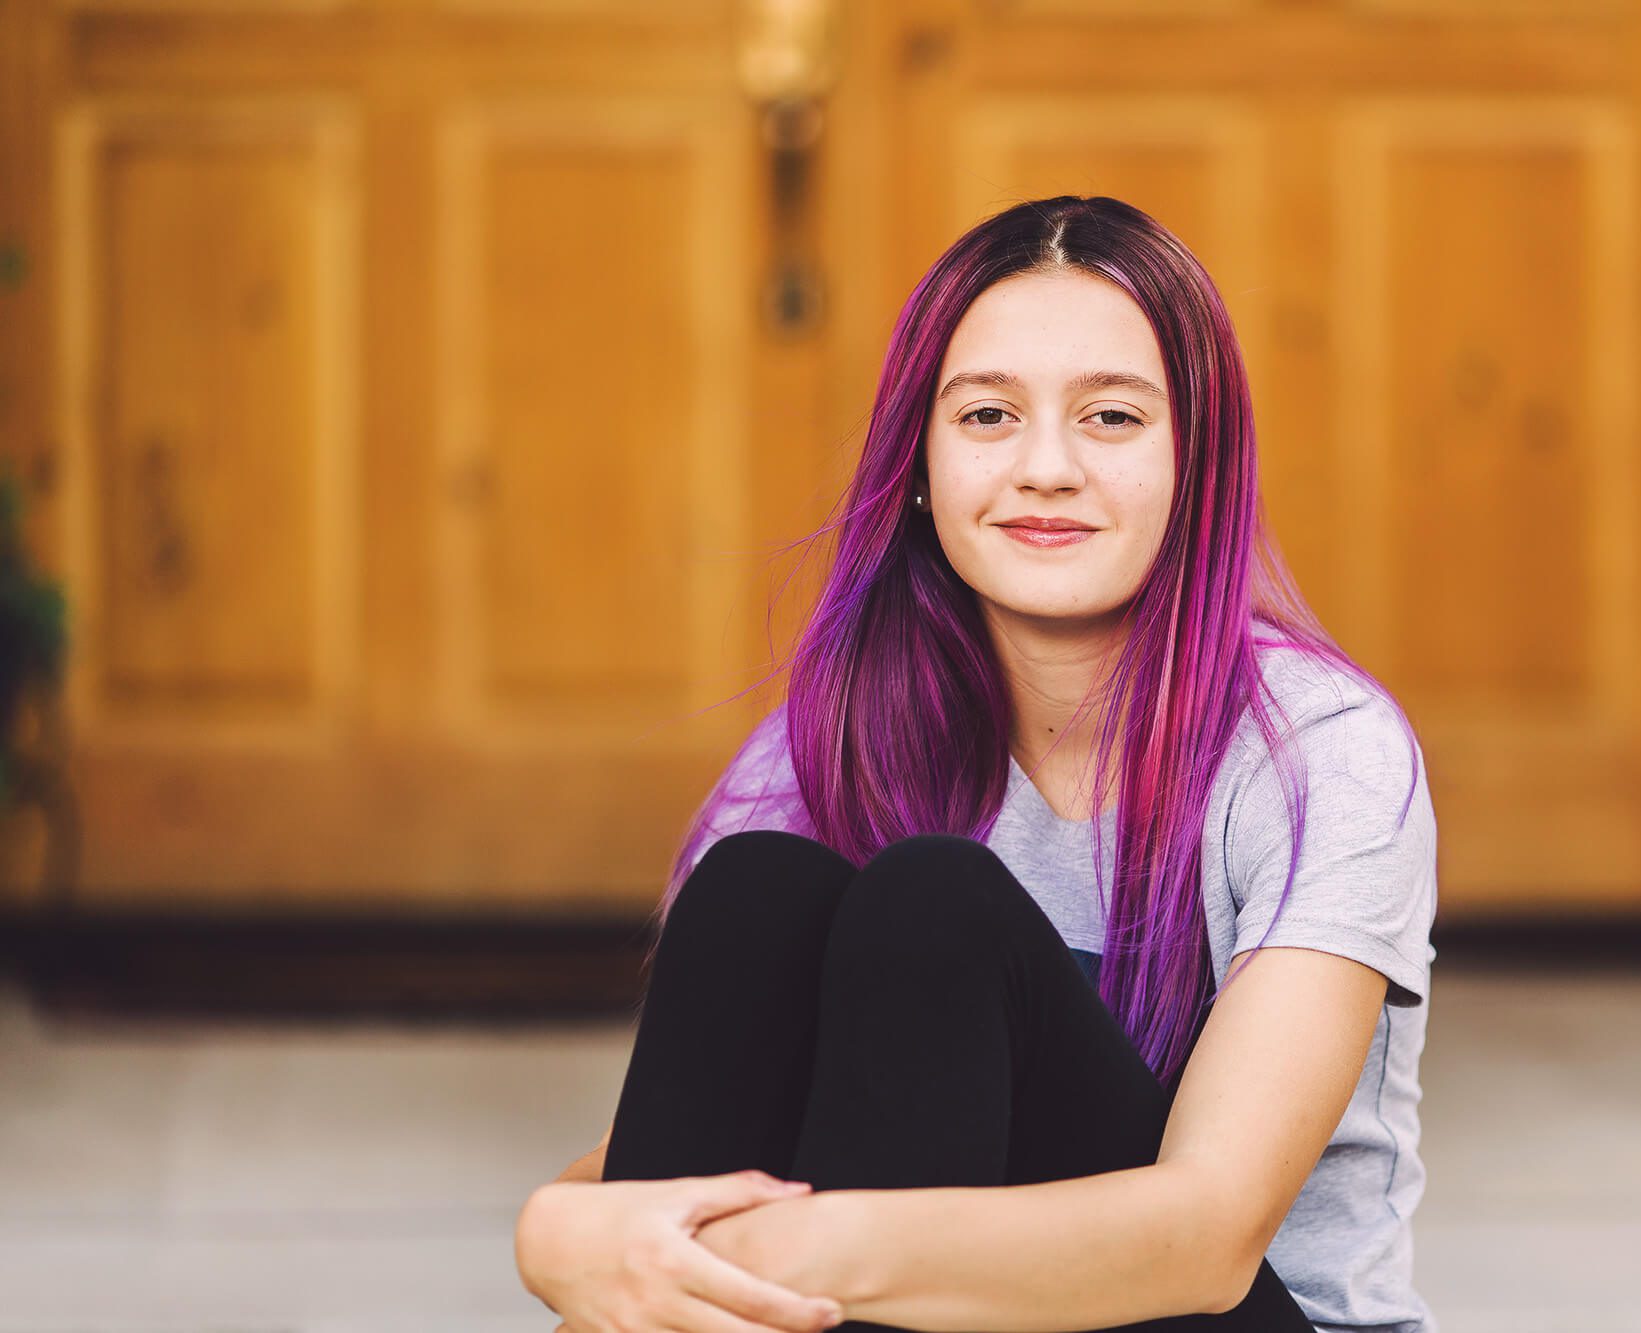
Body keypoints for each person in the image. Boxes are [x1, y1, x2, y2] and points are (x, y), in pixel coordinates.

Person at [514, 195, 1439, 1333]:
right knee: (757, 889)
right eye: (988, 415)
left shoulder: (1316, 753)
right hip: (889, 1304)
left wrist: (786, 1254)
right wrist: (554, 1232)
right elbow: (664, 1181)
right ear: (917, 464)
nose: (1043, 468)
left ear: (1198, 465)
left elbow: (1204, 1238)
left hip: (1218, 1312)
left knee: (935, 905)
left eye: (1109, 417)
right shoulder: (830, 744)